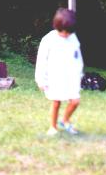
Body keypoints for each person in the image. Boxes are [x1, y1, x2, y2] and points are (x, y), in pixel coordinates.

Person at [35, 8, 84, 136]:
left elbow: (77, 57)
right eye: (63, 31)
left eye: (68, 32)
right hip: (54, 77)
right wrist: (41, 79)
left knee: (75, 101)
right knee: (56, 102)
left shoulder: (73, 38)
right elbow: (41, 60)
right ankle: (53, 127)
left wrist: (79, 74)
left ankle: (65, 120)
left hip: (71, 77)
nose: (66, 34)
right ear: (56, 26)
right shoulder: (48, 39)